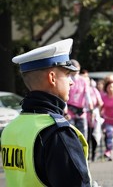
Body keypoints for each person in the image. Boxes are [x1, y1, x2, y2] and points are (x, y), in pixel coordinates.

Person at [1, 39, 96, 186]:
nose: (71, 82)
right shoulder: (57, 133)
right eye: (67, 75)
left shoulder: (11, 128)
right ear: (52, 78)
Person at [66, 59, 93, 139]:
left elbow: (87, 94)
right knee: (71, 133)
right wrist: (65, 111)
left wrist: (90, 104)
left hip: (81, 110)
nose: (76, 70)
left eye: (78, 68)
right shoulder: (67, 79)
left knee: (83, 134)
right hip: (69, 111)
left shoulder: (83, 80)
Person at [87, 78, 103, 162]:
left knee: (94, 135)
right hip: (85, 115)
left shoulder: (94, 90)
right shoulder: (83, 90)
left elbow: (100, 102)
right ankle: (87, 154)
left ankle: (93, 153)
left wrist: (94, 109)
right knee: (87, 136)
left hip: (94, 115)